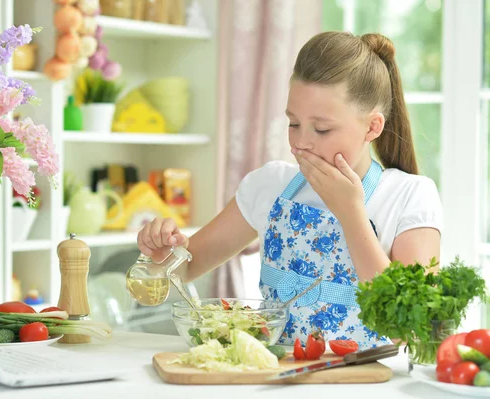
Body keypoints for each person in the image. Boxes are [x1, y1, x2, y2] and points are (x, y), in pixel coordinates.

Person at [136, 31, 442, 348]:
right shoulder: (268, 185)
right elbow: (183, 269)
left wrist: (351, 213)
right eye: (294, 123)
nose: (301, 142)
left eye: (322, 129)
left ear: (372, 127)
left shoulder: (410, 196)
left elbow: (413, 327)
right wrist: (161, 258)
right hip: (275, 379)